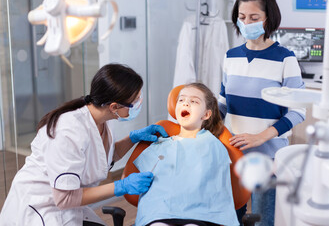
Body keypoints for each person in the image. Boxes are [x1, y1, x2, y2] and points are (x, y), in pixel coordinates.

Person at [0, 63, 168, 226]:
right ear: (114, 106)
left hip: (69, 205)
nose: (139, 103)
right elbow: (65, 198)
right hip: (41, 206)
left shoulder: (102, 119)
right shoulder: (69, 131)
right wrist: (122, 186)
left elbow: (104, 157)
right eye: (135, 101)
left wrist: (133, 138)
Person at [218, 0, 306, 225]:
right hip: (233, 156)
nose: (247, 23)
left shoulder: (285, 59)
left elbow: (298, 111)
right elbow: (224, 103)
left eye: (254, 18)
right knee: (229, 219)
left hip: (268, 159)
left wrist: (261, 137)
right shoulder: (230, 56)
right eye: (242, 17)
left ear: (269, 18)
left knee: (262, 221)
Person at [133, 83, 239, 226]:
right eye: (181, 100)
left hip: (201, 214)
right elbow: (145, 179)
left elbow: (214, 187)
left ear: (206, 114)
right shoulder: (160, 143)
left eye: (194, 101)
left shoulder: (213, 144)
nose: (186, 104)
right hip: (159, 212)